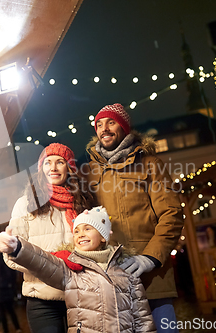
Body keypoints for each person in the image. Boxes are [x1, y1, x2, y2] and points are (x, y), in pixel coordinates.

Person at [80, 103, 184, 332]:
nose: (104, 128)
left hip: (153, 276)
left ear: (124, 127)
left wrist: (150, 258)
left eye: (111, 122)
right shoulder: (89, 172)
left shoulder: (150, 164)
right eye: (99, 124)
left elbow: (172, 214)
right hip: (112, 276)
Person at [0, 206, 156, 333]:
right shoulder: (73, 269)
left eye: (88, 228)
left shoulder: (125, 270)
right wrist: (18, 247)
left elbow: (143, 318)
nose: (80, 234)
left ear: (103, 236)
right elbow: (44, 262)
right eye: (77, 231)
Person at [3, 143, 96, 333]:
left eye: (60, 162)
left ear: (69, 168)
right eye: (47, 163)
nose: (53, 168)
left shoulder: (84, 201)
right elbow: (12, 256)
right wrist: (50, 264)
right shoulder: (26, 203)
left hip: (80, 295)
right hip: (41, 298)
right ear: (41, 169)